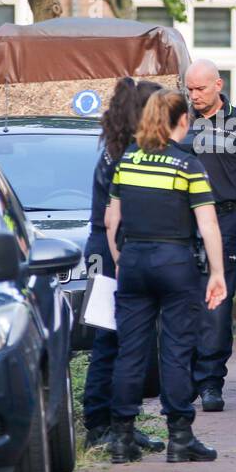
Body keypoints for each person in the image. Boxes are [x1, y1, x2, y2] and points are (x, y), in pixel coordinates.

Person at [104, 90, 227, 463]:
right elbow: (208, 226)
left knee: (131, 351)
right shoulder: (188, 166)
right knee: (176, 350)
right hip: (175, 262)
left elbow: (112, 220)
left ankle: (122, 439)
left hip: (135, 260)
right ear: (182, 122)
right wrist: (218, 273)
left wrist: (120, 260)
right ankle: (180, 438)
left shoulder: (128, 160)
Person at [81, 77, 163, 452]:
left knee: (116, 339)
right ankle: (101, 424)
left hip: (105, 246)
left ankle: (117, 422)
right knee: (111, 338)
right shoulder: (126, 154)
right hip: (112, 248)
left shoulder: (117, 148)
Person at [182, 59, 236, 412]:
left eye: (200, 89)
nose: (194, 95)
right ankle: (183, 378)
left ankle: (210, 382)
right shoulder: (179, 119)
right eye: (189, 89)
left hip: (225, 220)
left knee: (217, 305)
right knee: (183, 302)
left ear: (218, 85)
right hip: (182, 223)